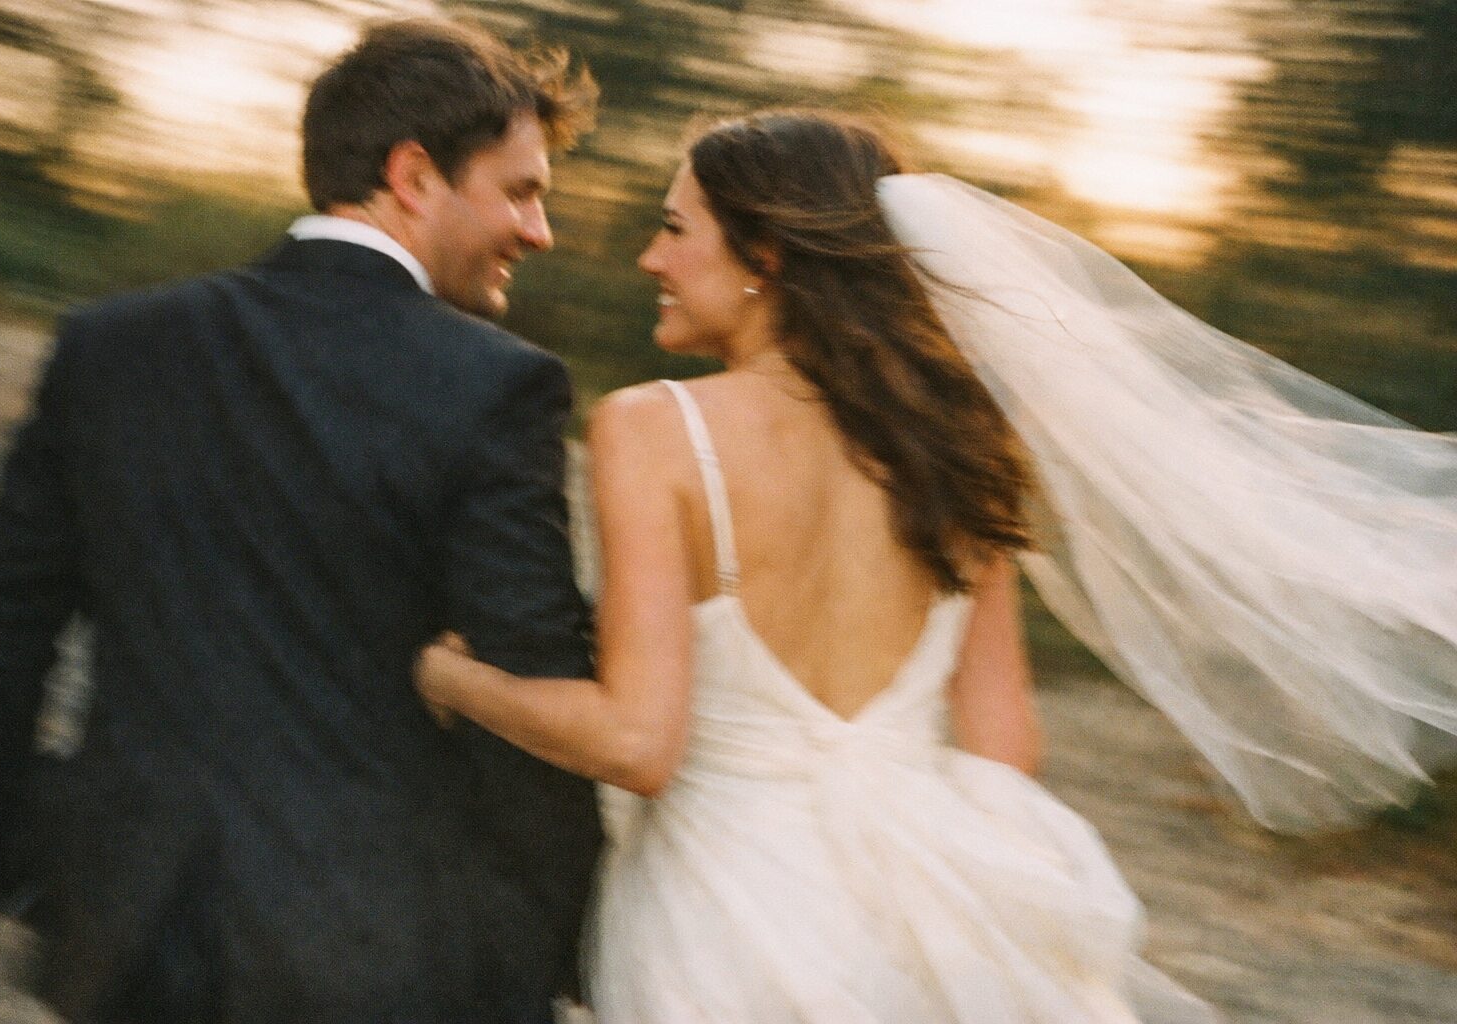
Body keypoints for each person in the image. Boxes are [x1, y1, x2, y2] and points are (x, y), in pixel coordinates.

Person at [417, 109, 1457, 1021]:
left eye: (676, 227)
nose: (651, 257)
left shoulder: (654, 427)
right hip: (928, 913)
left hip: (725, 906)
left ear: (765, 254)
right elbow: (1004, 742)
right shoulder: (958, 441)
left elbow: (639, 742)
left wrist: (454, 677)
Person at [0, 18, 601, 1023]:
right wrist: (534, 939)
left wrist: (36, 860)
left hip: (132, 941)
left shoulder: (113, 348)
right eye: (524, 190)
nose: (539, 231)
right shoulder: (499, 389)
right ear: (413, 175)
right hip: (393, 959)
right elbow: (534, 682)